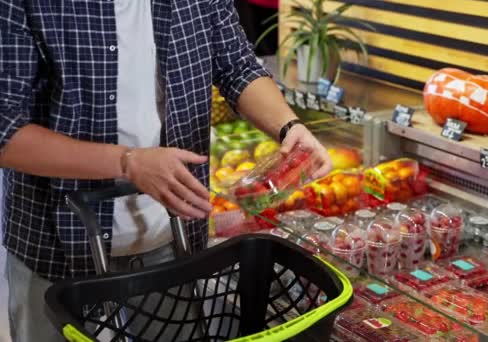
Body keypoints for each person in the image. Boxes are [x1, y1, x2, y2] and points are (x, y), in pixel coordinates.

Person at [0, 1, 331, 341]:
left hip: (173, 236)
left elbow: (237, 66)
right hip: (56, 239)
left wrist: (288, 126)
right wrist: (128, 162)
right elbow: (5, 131)